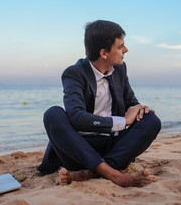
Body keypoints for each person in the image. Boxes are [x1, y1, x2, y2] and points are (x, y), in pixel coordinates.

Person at [37, 20, 161, 187]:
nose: (125, 50)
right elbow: (76, 117)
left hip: (112, 150)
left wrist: (140, 110)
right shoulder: (74, 73)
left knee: (151, 120)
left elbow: (131, 102)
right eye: (120, 47)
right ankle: (113, 174)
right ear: (104, 53)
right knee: (53, 114)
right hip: (78, 150)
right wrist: (123, 121)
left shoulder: (120, 69)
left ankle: (91, 173)